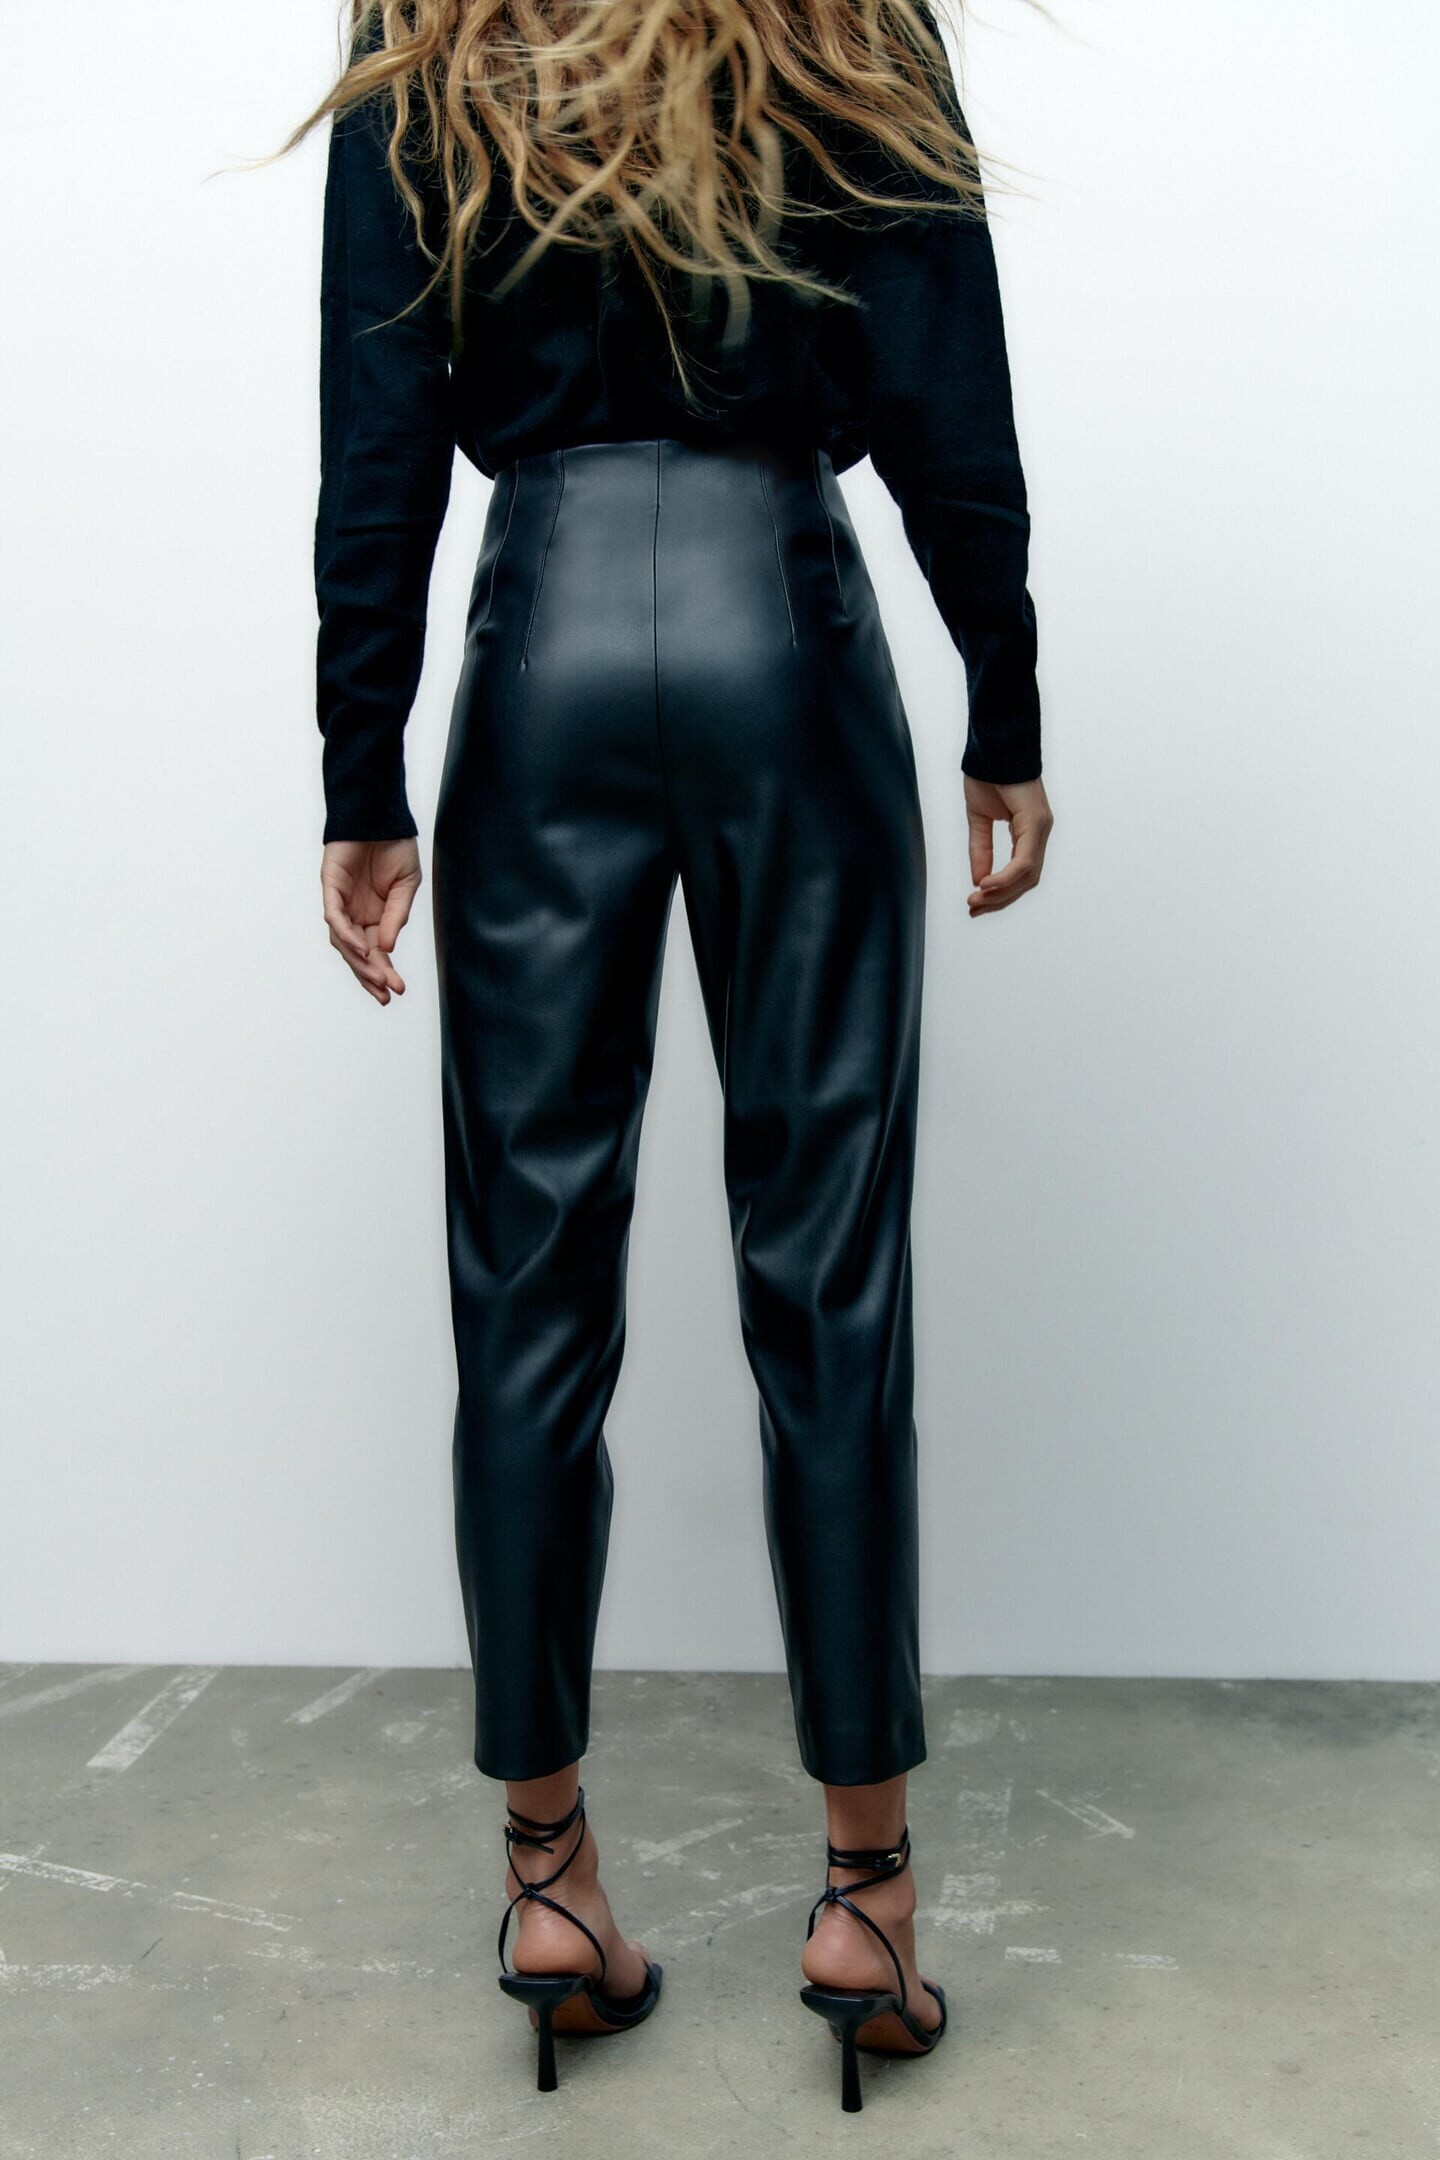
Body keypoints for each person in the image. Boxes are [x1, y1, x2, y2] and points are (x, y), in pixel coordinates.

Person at [288, 0, 1053, 2112]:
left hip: (539, 641)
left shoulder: (427, 29)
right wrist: (1002, 695)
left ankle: (548, 1884)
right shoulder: (842, 14)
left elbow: (377, 414)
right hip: (779, 629)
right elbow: (943, 368)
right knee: (829, 1276)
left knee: (525, 1285)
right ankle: (867, 1906)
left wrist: (363, 770)